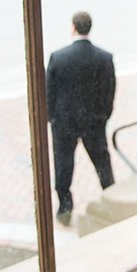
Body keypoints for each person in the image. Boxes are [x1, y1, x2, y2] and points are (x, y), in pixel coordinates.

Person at [46, 11, 117, 226]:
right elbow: (109, 91)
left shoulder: (58, 57)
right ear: (89, 28)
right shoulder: (104, 58)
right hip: (93, 123)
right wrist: (103, 116)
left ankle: (65, 208)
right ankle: (113, 201)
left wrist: (53, 119)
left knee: (63, 165)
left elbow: (49, 93)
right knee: (103, 165)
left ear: (73, 28)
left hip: (64, 123)